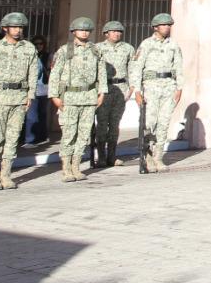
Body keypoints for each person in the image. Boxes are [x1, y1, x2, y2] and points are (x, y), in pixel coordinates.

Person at [0, 12, 39, 191]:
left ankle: (6, 174)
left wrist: (30, 95)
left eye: (20, 27)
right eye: (14, 27)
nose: (18, 30)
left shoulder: (29, 48)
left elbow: (33, 73)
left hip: (19, 99)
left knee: (12, 138)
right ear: (5, 28)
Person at [49, 17, 105, 182]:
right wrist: (54, 96)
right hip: (70, 98)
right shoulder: (65, 50)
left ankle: (76, 166)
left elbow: (101, 72)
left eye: (87, 30)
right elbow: (55, 74)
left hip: (89, 97)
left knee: (83, 134)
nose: (85, 32)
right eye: (81, 30)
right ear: (74, 32)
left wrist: (102, 93)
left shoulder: (95, 50)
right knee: (69, 134)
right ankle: (66, 168)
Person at [130, 13, 183, 172]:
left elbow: (179, 67)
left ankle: (158, 157)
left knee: (164, 123)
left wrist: (179, 87)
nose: (167, 27)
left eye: (169, 25)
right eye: (164, 25)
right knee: (149, 123)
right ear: (155, 27)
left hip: (168, 87)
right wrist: (137, 91)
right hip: (151, 87)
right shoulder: (146, 44)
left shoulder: (173, 45)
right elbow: (137, 68)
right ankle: (147, 155)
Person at [94, 21, 134, 168]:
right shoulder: (97, 48)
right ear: (106, 33)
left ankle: (112, 156)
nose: (117, 33)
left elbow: (132, 68)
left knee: (115, 124)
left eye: (119, 31)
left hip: (121, 88)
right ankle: (101, 157)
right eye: (113, 31)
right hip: (104, 89)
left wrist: (131, 88)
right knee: (102, 124)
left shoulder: (128, 48)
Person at [21, 34, 50, 147]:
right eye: (36, 44)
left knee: (41, 114)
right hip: (33, 90)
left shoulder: (47, 56)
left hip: (44, 89)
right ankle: (30, 139)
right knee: (31, 115)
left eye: (40, 43)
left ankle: (40, 136)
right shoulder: (31, 57)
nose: (38, 46)